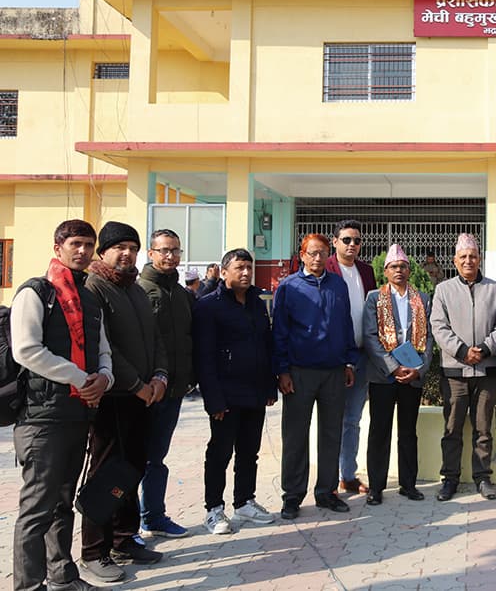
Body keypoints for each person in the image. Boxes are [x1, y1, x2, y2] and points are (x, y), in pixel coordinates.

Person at [11, 220, 114, 591]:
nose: (83, 251)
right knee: (37, 508)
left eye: (89, 244)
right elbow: (26, 350)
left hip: (78, 413)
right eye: (75, 244)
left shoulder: (89, 297)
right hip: (41, 418)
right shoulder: (36, 292)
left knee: (62, 504)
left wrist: (104, 377)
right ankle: (28, 585)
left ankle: (63, 577)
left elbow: (102, 350)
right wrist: (79, 377)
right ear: (58, 248)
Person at [82, 221, 168, 582]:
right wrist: (136, 383)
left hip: (143, 396)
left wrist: (160, 375)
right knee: (106, 473)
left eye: (132, 248)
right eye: (119, 247)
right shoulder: (95, 287)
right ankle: (93, 551)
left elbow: (155, 336)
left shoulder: (133, 288)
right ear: (103, 252)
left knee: (132, 467)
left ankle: (123, 539)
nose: (127, 254)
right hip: (113, 396)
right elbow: (104, 347)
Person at [274, 233, 359, 519]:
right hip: (299, 373)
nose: (318, 258)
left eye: (323, 252)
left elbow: (346, 324)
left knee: (331, 433)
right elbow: (280, 333)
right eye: (312, 253)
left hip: (334, 371)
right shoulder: (289, 287)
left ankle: (326, 492)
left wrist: (350, 361)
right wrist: (282, 370)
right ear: (302, 255)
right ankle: (292, 496)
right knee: (296, 435)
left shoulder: (338, 284)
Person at [193, 248, 277, 535]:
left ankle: (244, 501)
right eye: (239, 267)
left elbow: (266, 346)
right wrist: (213, 399)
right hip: (225, 395)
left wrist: (269, 386)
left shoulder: (256, 302)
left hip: (254, 391)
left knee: (249, 451)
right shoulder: (208, 306)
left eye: (249, 268)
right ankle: (214, 509)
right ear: (224, 271)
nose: (245, 273)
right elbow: (204, 358)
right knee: (220, 452)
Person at [428, 233, 496, 501]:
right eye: (463, 256)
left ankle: (483, 477)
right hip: (454, 371)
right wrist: (462, 351)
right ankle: (449, 478)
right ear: (455, 260)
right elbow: (438, 326)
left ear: (479, 258)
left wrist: (484, 350)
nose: (468, 260)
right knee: (452, 427)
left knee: (483, 427)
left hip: (487, 369)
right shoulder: (443, 290)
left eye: (473, 256)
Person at [361, 244, 434, 506]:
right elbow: (370, 337)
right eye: (394, 266)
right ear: (386, 271)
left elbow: (429, 339)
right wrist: (393, 366)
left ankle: (409, 484)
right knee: (379, 431)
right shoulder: (374, 298)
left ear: (409, 270)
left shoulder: (422, 299)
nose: (399, 270)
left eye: (403, 266)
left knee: (407, 431)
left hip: (412, 377)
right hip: (383, 376)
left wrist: (418, 369)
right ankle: (376, 487)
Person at [135, 229, 194, 540]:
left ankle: (154, 517)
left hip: (173, 390)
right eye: (164, 250)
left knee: (157, 458)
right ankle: (126, 527)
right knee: (135, 460)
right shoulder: (139, 291)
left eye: (175, 250)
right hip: (144, 391)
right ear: (151, 253)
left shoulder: (182, 294)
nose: (170, 256)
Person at [326, 219, 377, 496]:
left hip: (362, 356)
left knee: (353, 419)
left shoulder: (366, 271)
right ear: (335, 242)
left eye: (356, 240)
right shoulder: (327, 269)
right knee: (332, 418)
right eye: (346, 240)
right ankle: (329, 479)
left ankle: (348, 474)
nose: (352, 245)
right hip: (335, 358)